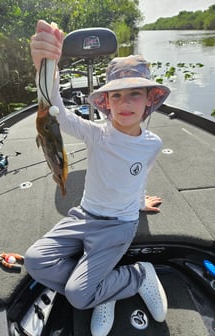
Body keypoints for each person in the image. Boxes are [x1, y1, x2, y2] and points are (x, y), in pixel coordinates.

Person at [25, 20, 170, 336]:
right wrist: (46, 67)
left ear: (149, 100)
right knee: (35, 261)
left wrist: (139, 201)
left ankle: (137, 275)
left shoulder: (152, 144)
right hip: (83, 216)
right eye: (116, 96)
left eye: (135, 93)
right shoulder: (95, 134)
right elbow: (57, 112)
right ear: (106, 103)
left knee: (78, 296)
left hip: (119, 224)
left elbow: (138, 175)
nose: (125, 102)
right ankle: (104, 286)